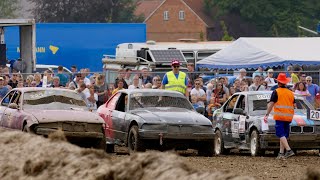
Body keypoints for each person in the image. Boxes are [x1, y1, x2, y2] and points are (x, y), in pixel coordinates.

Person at [264, 73, 295, 159]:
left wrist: (267, 114)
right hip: (289, 117)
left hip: (280, 116)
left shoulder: (276, 92)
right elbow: (294, 105)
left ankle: (289, 150)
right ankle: (281, 153)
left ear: (278, 82)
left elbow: (271, 104)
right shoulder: (290, 93)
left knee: (280, 134)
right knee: (283, 135)